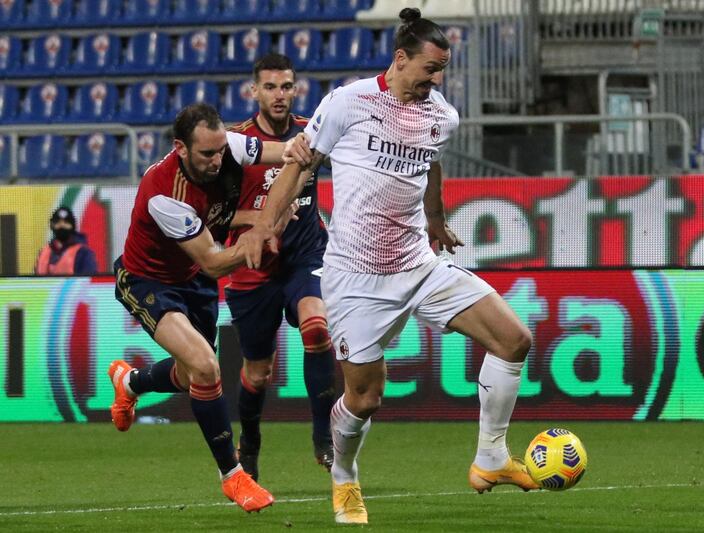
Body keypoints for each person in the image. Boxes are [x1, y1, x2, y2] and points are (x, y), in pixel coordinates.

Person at [237, 8, 537, 525]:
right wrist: (265, 224)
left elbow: (432, 162)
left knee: (514, 340)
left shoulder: (442, 116)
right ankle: (345, 477)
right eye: (429, 69)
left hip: (418, 264)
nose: (435, 81)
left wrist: (436, 220)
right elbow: (299, 164)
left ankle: (490, 457)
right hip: (355, 277)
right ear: (401, 58)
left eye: (442, 70)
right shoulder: (348, 103)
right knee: (365, 397)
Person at [107, 103, 310, 513]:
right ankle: (233, 476)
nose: (218, 160)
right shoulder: (165, 194)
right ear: (180, 148)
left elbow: (286, 152)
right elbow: (216, 262)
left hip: (192, 283)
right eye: (207, 154)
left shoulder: (227, 147)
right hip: (149, 281)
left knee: (189, 375)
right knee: (205, 366)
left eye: (220, 151)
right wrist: (261, 232)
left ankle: (130, 383)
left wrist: (309, 148)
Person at [225, 53, 335, 482]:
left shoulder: (313, 135)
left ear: (296, 89)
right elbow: (215, 215)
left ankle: (325, 436)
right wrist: (260, 219)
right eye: (270, 87)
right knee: (257, 371)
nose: (279, 95)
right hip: (253, 270)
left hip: (305, 258)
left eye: (286, 86)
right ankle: (249, 441)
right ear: (254, 91)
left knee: (317, 327)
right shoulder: (236, 145)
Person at [35, 206, 98, 275]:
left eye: (66, 222)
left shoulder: (83, 253)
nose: (62, 225)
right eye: (58, 222)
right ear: (52, 226)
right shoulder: (43, 251)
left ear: (72, 226)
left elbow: (88, 281)